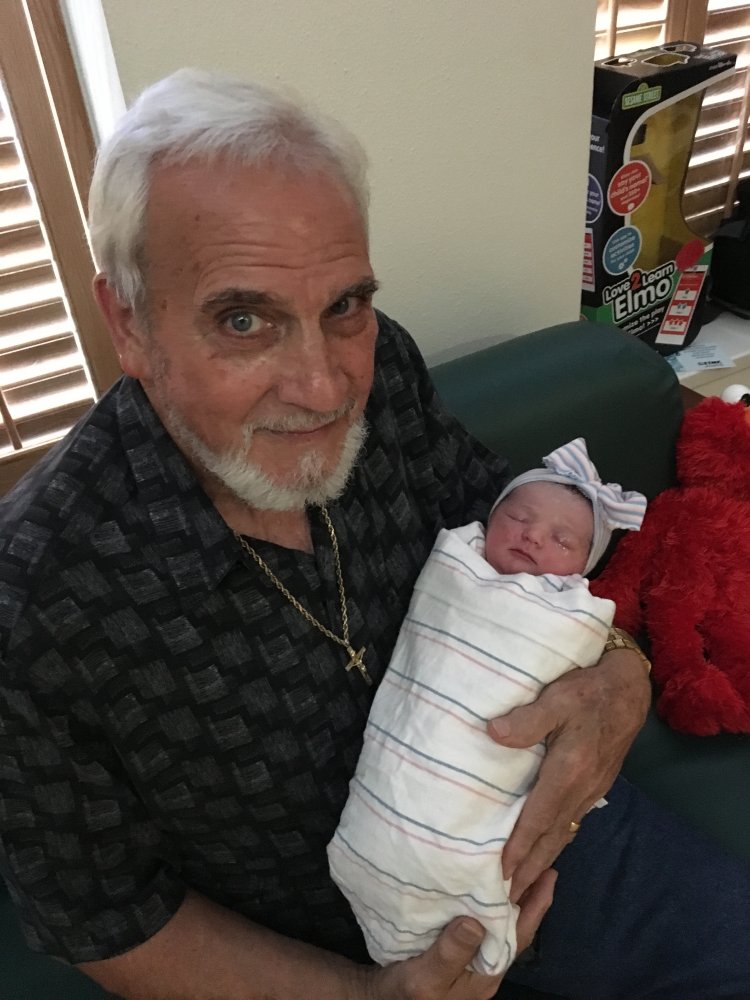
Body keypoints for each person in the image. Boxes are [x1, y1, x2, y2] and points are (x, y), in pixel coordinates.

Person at [0, 68, 748, 1000]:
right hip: (331, 952)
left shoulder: (381, 364)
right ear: (130, 323)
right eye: (243, 319)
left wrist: (623, 668)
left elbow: (504, 519)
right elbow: (104, 916)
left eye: (343, 305)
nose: (323, 387)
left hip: (551, 836)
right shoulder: (36, 598)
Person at [329, 440, 647, 977]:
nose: (532, 536)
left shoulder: (568, 609)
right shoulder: (457, 566)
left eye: (562, 540)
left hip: (524, 803)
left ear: (582, 571)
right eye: (519, 518)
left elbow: (589, 639)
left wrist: (626, 666)